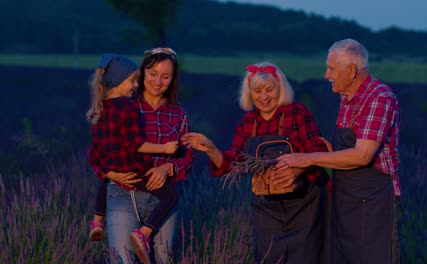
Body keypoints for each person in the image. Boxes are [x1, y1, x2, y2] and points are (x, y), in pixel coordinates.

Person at [181, 62, 329, 263]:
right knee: (269, 257)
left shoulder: (297, 113)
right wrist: (211, 149)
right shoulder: (247, 124)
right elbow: (233, 164)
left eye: (270, 90)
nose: (264, 96)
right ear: (250, 93)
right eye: (257, 91)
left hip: (305, 204)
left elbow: (318, 151)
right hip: (267, 206)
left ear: (280, 89)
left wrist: (297, 170)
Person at [275, 39, 401, 264]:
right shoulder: (346, 96)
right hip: (346, 194)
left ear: (351, 70)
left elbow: (362, 156)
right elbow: (346, 149)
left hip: (372, 200)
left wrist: (306, 158)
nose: (326, 75)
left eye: (332, 69)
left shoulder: (379, 98)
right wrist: (319, 149)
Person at [89, 48, 192, 264]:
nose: (158, 81)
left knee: (164, 259)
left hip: (163, 195)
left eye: (166, 76)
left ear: (173, 79)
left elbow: (187, 158)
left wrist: (168, 169)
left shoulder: (178, 113)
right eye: (152, 73)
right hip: (124, 192)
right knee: (122, 260)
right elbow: (96, 150)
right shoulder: (124, 104)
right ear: (142, 72)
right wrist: (109, 173)